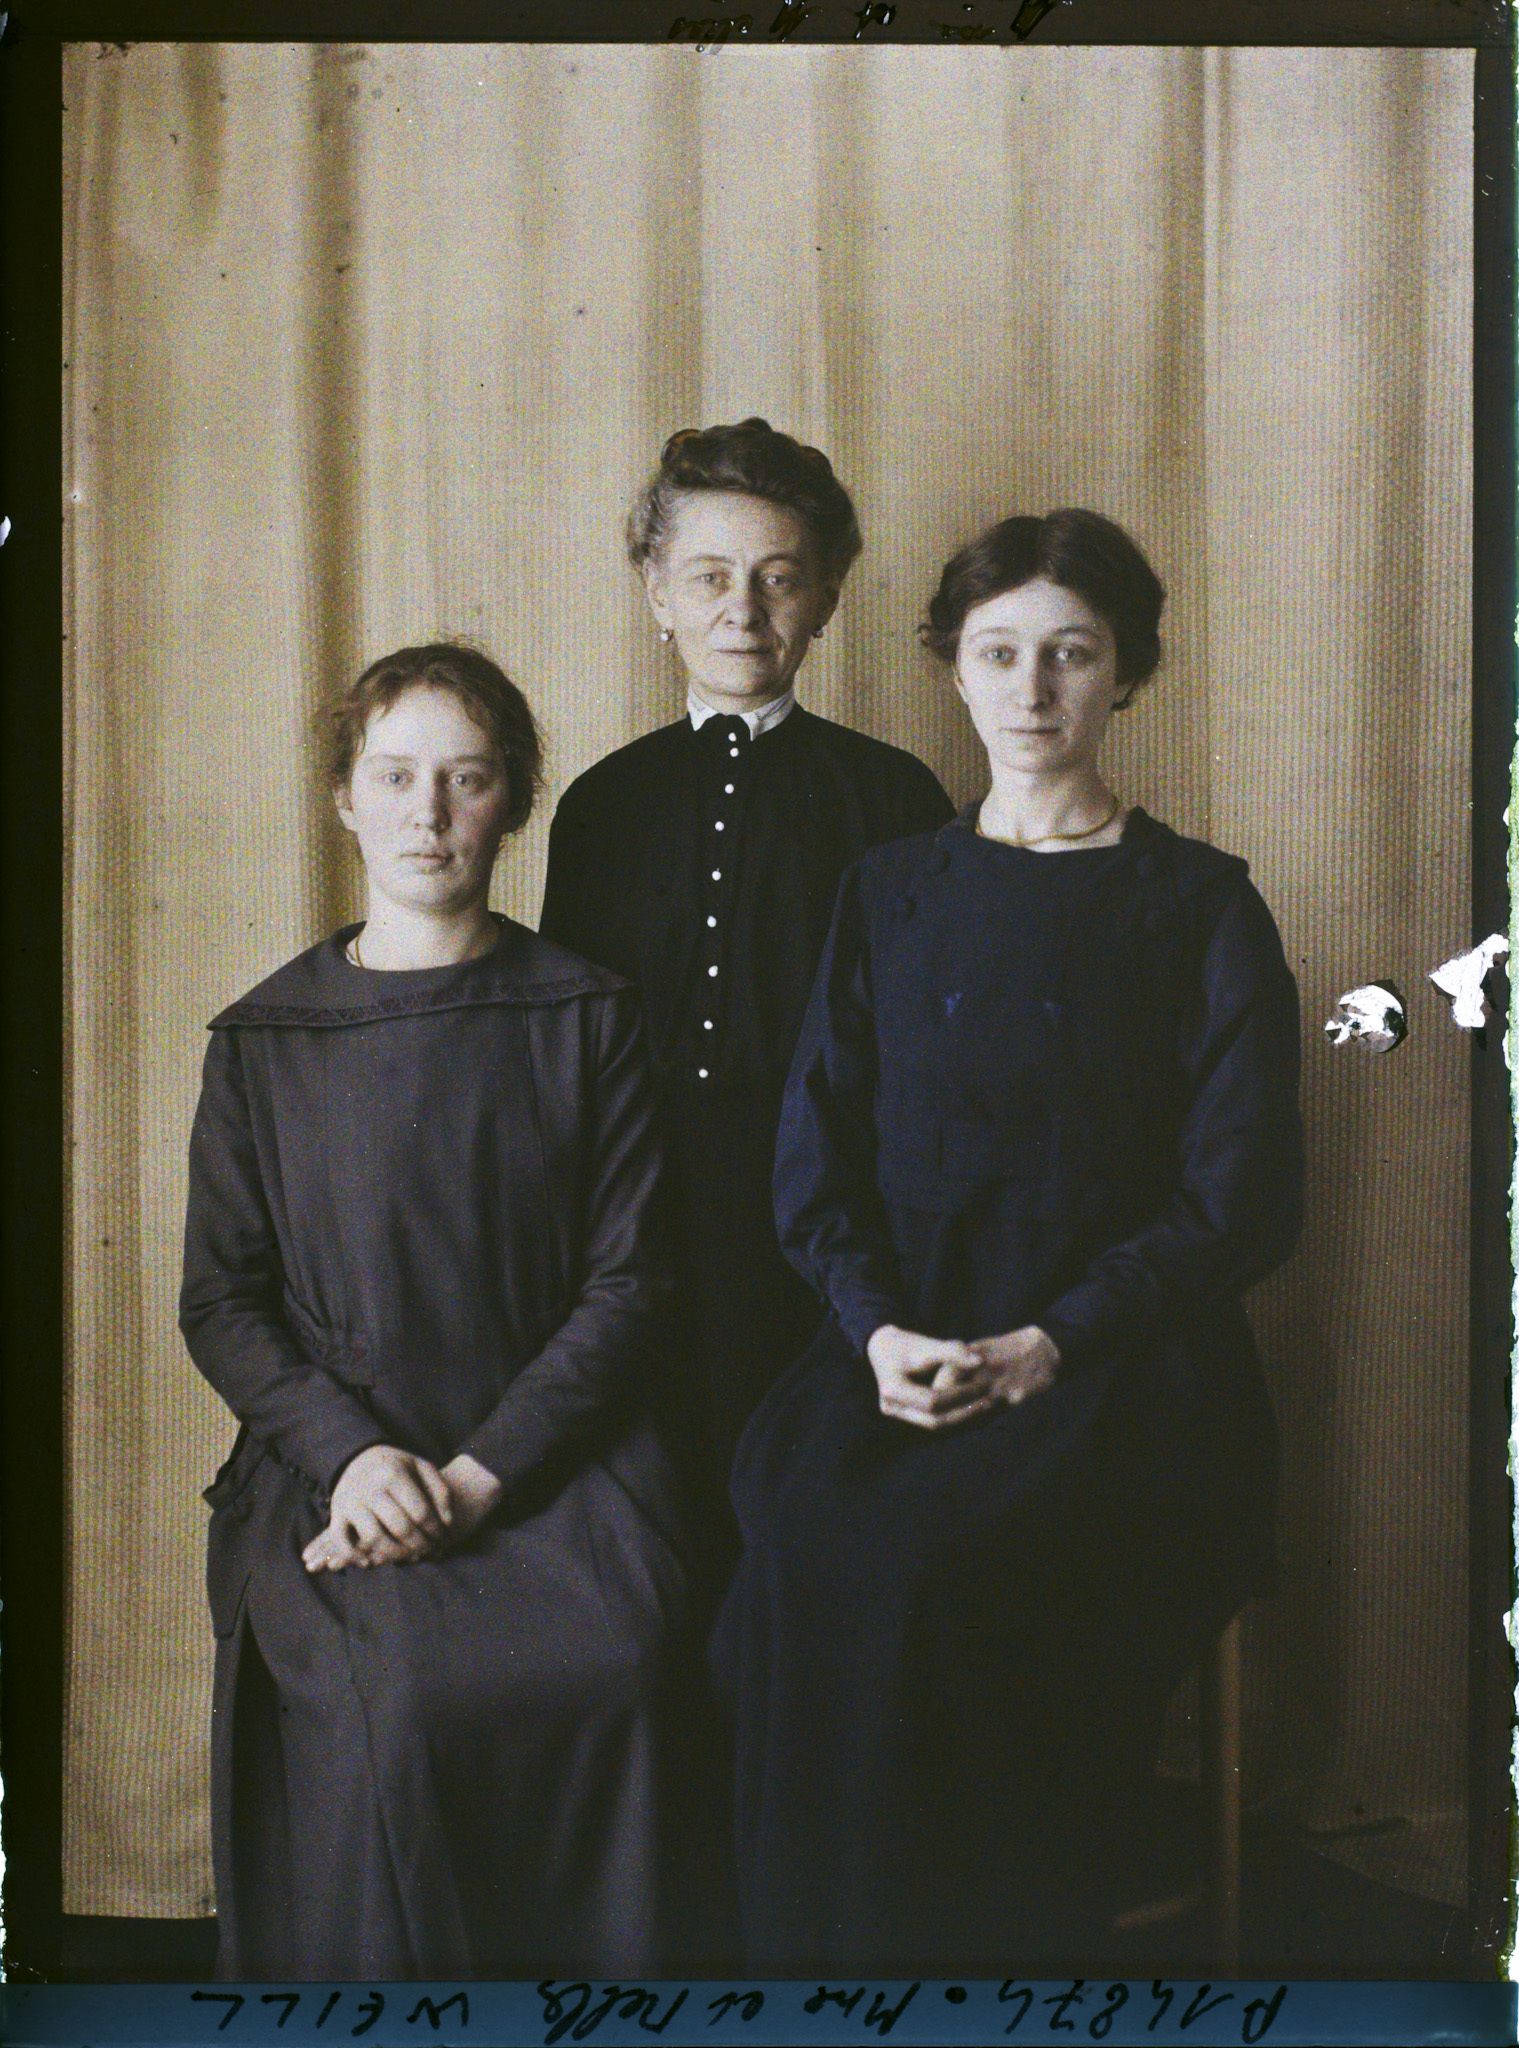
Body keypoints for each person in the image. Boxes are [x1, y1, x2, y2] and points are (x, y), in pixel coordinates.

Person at [712, 509, 1305, 1975]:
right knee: (787, 1556)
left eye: (1069, 656)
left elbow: (1238, 1201)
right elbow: (813, 1173)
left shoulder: (1199, 907)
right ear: (952, 675)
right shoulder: (887, 895)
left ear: (1124, 677)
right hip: (900, 1356)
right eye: (998, 655)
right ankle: (824, 1972)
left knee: (921, 1582)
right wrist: (873, 1335)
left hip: (1124, 1382)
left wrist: (1056, 1341)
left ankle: (974, 1972)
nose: (1031, 692)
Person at [180, 643, 686, 1980]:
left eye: (466, 782)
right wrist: (352, 1456)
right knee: (396, 1709)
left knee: (620, 1665)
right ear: (343, 797)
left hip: (548, 1463)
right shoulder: (264, 1040)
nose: (428, 814)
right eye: (395, 777)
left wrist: (478, 1476)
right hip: (327, 1475)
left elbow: (629, 1284)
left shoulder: (587, 1015)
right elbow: (221, 1303)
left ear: (511, 803)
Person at [538, 418, 954, 1569]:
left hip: (831, 1213)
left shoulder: (890, 794)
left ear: (825, 597)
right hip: (645, 1209)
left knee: (814, 1507)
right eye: (710, 578)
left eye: (780, 580)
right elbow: (568, 1042)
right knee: (664, 1511)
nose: (744, 611)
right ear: (655, 592)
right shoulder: (604, 803)